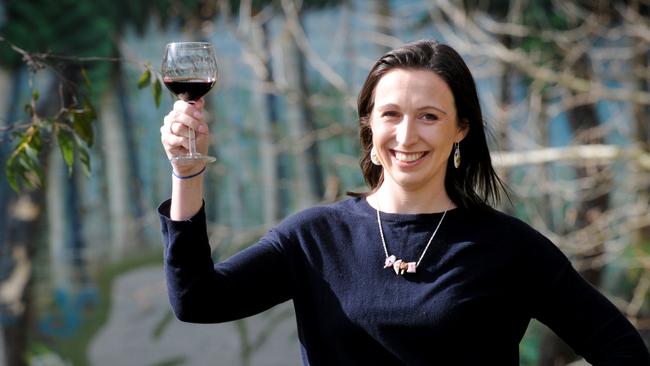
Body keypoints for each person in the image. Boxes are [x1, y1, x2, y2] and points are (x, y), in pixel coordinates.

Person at [158, 40, 650, 365]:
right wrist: (187, 174)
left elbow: (621, 349)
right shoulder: (315, 237)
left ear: (461, 130)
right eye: (390, 113)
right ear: (369, 125)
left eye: (430, 116)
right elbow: (197, 301)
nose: (407, 135)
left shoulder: (507, 247)